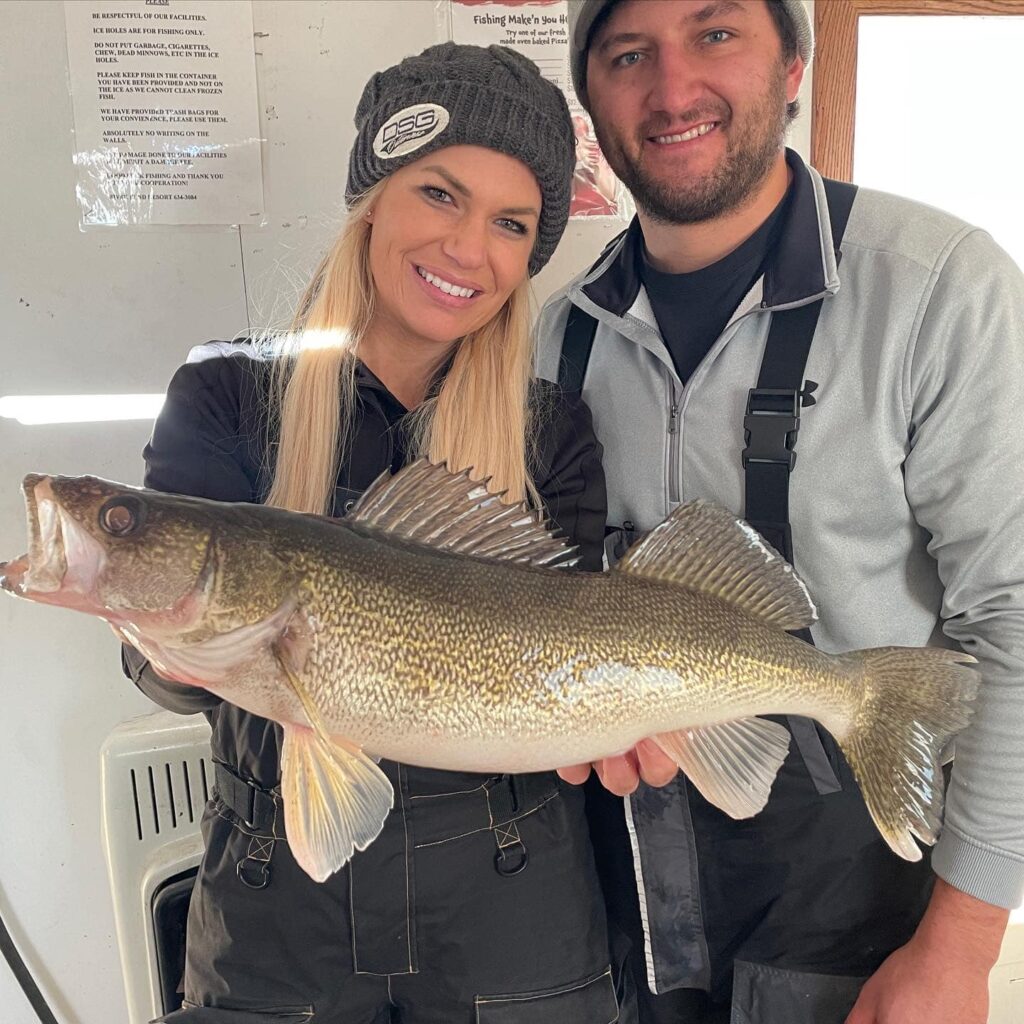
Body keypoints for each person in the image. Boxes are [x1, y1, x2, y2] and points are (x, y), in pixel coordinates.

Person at [536, 2, 1024, 1022]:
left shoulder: (939, 289)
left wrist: (961, 946)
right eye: (629, 55)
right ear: (594, 100)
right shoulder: (557, 338)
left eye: (716, 35)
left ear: (793, 63)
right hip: (615, 907)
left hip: (859, 922)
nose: (672, 90)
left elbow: (1016, 615)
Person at [120, 43, 626, 1024]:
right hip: (275, 901)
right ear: (374, 198)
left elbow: (582, 653)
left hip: (514, 892)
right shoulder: (225, 395)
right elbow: (162, 673)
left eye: (510, 222)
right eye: (439, 194)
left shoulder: (552, 428)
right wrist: (161, 635)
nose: (468, 247)